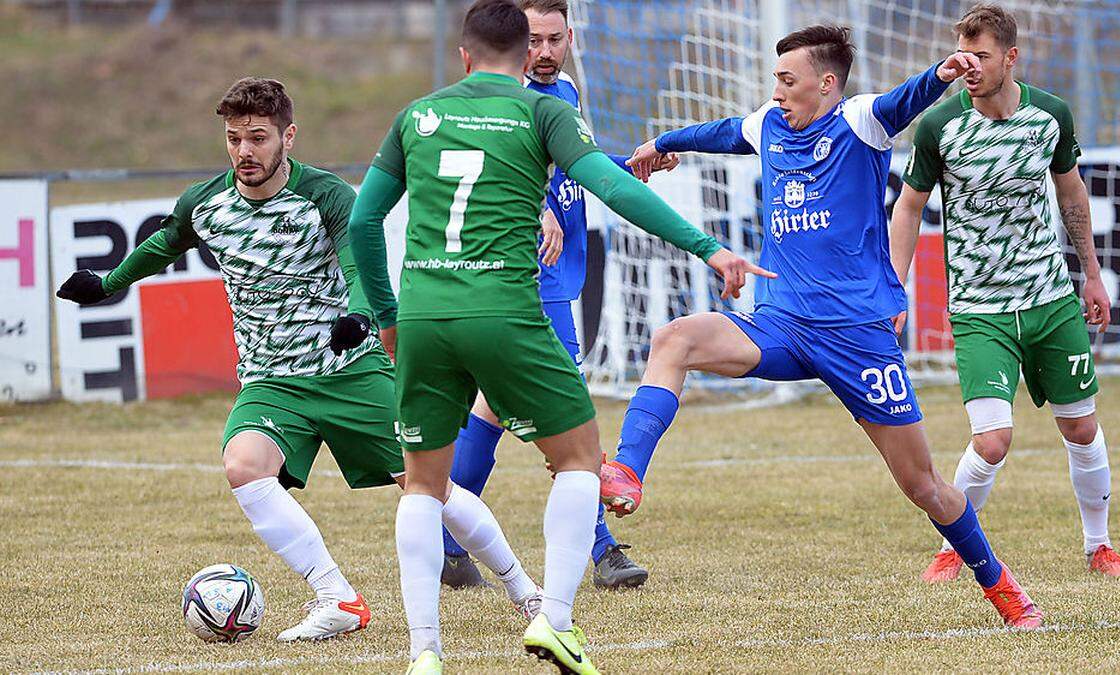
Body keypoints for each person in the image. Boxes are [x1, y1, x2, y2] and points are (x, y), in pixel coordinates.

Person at [348, 2, 767, 672]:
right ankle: (557, 620)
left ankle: (423, 650)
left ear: (462, 56)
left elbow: (364, 222)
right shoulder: (543, 111)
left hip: (425, 313)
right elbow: (610, 186)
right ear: (524, 57)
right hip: (505, 309)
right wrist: (707, 247)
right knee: (578, 458)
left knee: (424, 485)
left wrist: (387, 317)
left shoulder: (417, 115)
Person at [55, 77, 542, 642]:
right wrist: (109, 282)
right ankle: (337, 597)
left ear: (288, 136)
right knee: (243, 466)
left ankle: (522, 588)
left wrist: (357, 315)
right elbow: (165, 243)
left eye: (257, 137)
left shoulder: (327, 195)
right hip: (270, 381)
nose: (244, 151)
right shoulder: (207, 203)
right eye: (234, 138)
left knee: (426, 485)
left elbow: (362, 265)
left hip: (348, 370)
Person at [606, 24, 1044, 628]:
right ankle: (627, 472)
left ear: (827, 83)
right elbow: (719, 132)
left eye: (789, 80)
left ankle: (999, 584)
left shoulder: (861, 122)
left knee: (924, 487)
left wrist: (942, 74)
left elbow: (905, 101)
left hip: (856, 338)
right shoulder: (770, 126)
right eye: (776, 80)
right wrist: (661, 142)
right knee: (674, 338)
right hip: (781, 325)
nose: (778, 91)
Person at [890, 3, 1120, 581]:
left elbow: (1072, 197)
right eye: (962, 54)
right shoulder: (939, 126)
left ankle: (1099, 546)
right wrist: (893, 290)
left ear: (1010, 57)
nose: (968, 66)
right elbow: (908, 209)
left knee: (1081, 427)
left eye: (980, 55)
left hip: (1051, 301)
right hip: (981, 310)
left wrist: (1093, 274)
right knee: (994, 440)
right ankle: (955, 546)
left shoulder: (1050, 115)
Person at [440, 0, 674, 591]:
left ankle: (446, 543)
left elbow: (569, 166)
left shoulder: (565, 91)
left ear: (569, 35)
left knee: (490, 411)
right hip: (521, 276)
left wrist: (624, 168)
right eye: (532, 41)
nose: (542, 53)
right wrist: (536, 206)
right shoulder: (494, 94)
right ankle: (602, 551)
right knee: (569, 410)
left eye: (552, 39)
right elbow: (491, 166)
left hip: (553, 273)